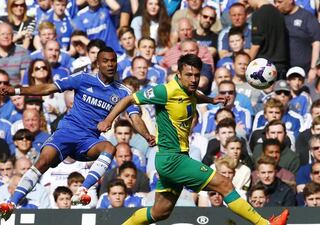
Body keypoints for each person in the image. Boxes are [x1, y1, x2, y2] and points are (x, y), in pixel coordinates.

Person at [98, 54, 288, 225]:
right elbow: (128, 100)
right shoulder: (165, 91)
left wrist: (211, 100)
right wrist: (108, 120)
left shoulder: (190, 91)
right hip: (173, 160)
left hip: (173, 159)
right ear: (179, 74)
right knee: (224, 184)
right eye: (189, 75)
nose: (194, 79)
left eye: (197, 75)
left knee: (160, 212)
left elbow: (193, 95)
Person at [0, 47, 154, 220]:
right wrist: (18, 90)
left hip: (88, 142)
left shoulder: (123, 92)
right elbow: (50, 88)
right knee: (43, 161)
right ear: (97, 63)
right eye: (105, 61)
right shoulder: (83, 79)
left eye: (113, 61)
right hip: (66, 133)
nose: (110, 64)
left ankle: (82, 190)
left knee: (110, 148)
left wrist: (147, 135)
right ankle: (12, 203)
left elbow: (135, 117)